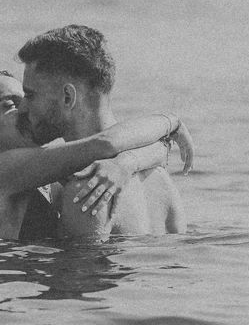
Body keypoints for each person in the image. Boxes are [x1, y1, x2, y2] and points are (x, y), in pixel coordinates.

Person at [0, 70, 191, 242]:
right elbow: (106, 144)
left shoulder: (51, 171)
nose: (26, 109)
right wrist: (171, 122)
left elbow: (151, 150)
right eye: (9, 104)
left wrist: (126, 163)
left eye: (27, 98)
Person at [18, 24, 187, 237]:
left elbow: (82, 271)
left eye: (30, 95)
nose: (22, 107)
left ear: (68, 98)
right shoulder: (160, 179)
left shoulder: (89, 188)